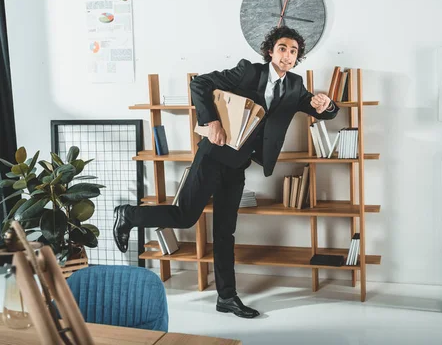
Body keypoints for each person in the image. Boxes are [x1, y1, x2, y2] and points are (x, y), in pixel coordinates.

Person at [113, 26, 339, 318]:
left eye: (293, 51)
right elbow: (200, 84)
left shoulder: (295, 86)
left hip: (237, 165)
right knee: (186, 216)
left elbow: (322, 110)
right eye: (283, 48)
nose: (287, 55)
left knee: (224, 232)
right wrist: (211, 123)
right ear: (271, 50)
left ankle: (227, 298)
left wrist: (327, 104)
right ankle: (129, 215)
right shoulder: (249, 73)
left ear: (297, 58)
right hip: (212, 156)